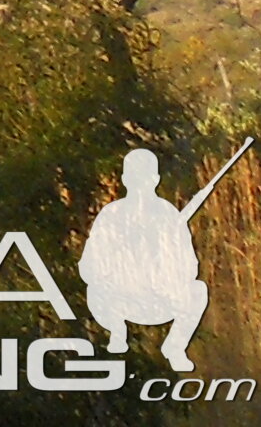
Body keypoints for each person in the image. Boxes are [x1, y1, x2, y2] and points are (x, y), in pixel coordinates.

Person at [80, 148, 209, 371]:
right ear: (125, 180)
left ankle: (175, 347)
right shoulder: (111, 215)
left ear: (155, 180)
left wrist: (163, 260)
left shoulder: (169, 216)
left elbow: (190, 269)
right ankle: (117, 332)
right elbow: (88, 267)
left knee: (197, 291)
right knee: (94, 290)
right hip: (118, 302)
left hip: (158, 301)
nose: (141, 184)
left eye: (144, 177)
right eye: (136, 177)